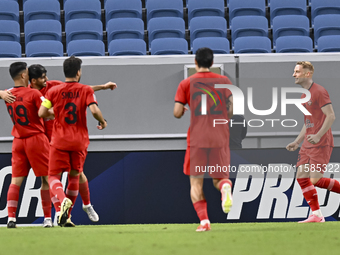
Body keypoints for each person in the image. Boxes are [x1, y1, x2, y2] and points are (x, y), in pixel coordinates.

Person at [29, 64, 117, 224]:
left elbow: (43, 111)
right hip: (60, 140)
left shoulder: (52, 89)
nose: (46, 79)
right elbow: (88, 100)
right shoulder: (31, 92)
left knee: (58, 176)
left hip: (58, 138)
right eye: (43, 77)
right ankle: (55, 217)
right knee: (62, 176)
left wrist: (102, 87)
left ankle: (76, 206)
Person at [174, 48, 233, 232]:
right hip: (219, 136)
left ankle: (204, 222)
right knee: (220, 178)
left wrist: (183, 109)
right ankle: (225, 188)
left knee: (196, 182)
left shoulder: (186, 83)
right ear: (212, 62)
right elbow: (231, 112)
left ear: (195, 61)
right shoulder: (224, 81)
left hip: (198, 138)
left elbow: (176, 113)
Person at [286, 61, 340, 223]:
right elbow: (308, 122)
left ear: (307, 74)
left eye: (297, 72)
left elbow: (331, 116)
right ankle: (316, 215)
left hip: (321, 142)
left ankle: (317, 214)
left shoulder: (319, 91)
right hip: (308, 143)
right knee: (301, 177)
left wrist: (318, 136)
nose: (294, 75)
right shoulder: (305, 95)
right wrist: (297, 141)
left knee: (315, 180)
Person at [4, 62, 55, 228]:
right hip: (36, 139)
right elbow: (45, 111)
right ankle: (48, 218)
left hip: (18, 140)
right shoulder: (33, 93)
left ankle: (11, 218)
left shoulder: (8, 94)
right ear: (23, 75)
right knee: (46, 179)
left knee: (15, 181)